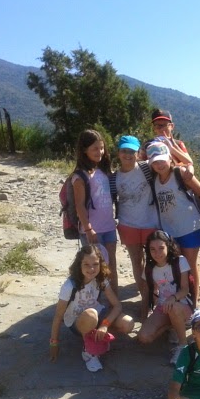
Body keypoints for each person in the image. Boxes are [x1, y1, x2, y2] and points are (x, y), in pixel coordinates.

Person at [49, 245, 134, 372]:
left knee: (128, 323)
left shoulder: (101, 280)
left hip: (97, 315)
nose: (91, 269)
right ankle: (89, 352)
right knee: (91, 315)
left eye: (95, 264)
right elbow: (58, 316)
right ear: (79, 265)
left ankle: (99, 336)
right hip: (78, 322)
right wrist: (54, 343)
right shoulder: (69, 286)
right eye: (86, 264)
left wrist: (105, 325)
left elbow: (117, 305)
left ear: (101, 264)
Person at [148, 141, 200, 305]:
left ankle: (193, 304)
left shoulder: (180, 173)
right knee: (176, 268)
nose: (159, 165)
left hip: (190, 228)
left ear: (170, 158)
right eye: (155, 162)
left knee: (189, 267)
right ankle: (181, 301)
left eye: (162, 160)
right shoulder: (155, 179)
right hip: (169, 232)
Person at [113, 135, 159, 320]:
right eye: (124, 151)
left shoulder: (147, 168)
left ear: (139, 153)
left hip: (150, 223)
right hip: (127, 224)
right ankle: (146, 300)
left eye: (132, 151)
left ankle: (153, 299)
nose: (128, 155)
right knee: (136, 262)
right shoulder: (114, 178)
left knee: (154, 263)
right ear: (118, 153)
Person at [72, 129, 119, 294]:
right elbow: (79, 205)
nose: (100, 152)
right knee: (93, 267)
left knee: (111, 264)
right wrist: (88, 228)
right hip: (92, 229)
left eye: (102, 148)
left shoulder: (104, 170)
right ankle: (93, 300)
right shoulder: (80, 176)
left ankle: (114, 300)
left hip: (109, 226)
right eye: (95, 149)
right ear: (85, 150)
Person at [137, 231, 194, 365]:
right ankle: (173, 326)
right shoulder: (150, 268)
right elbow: (147, 293)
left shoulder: (180, 261)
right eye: (153, 249)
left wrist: (173, 298)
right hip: (163, 306)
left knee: (173, 307)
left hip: (182, 304)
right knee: (144, 337)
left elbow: (185, 289)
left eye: (161, 248)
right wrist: (144, 318)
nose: (157, 253)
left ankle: (183, 346)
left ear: (168, 246)